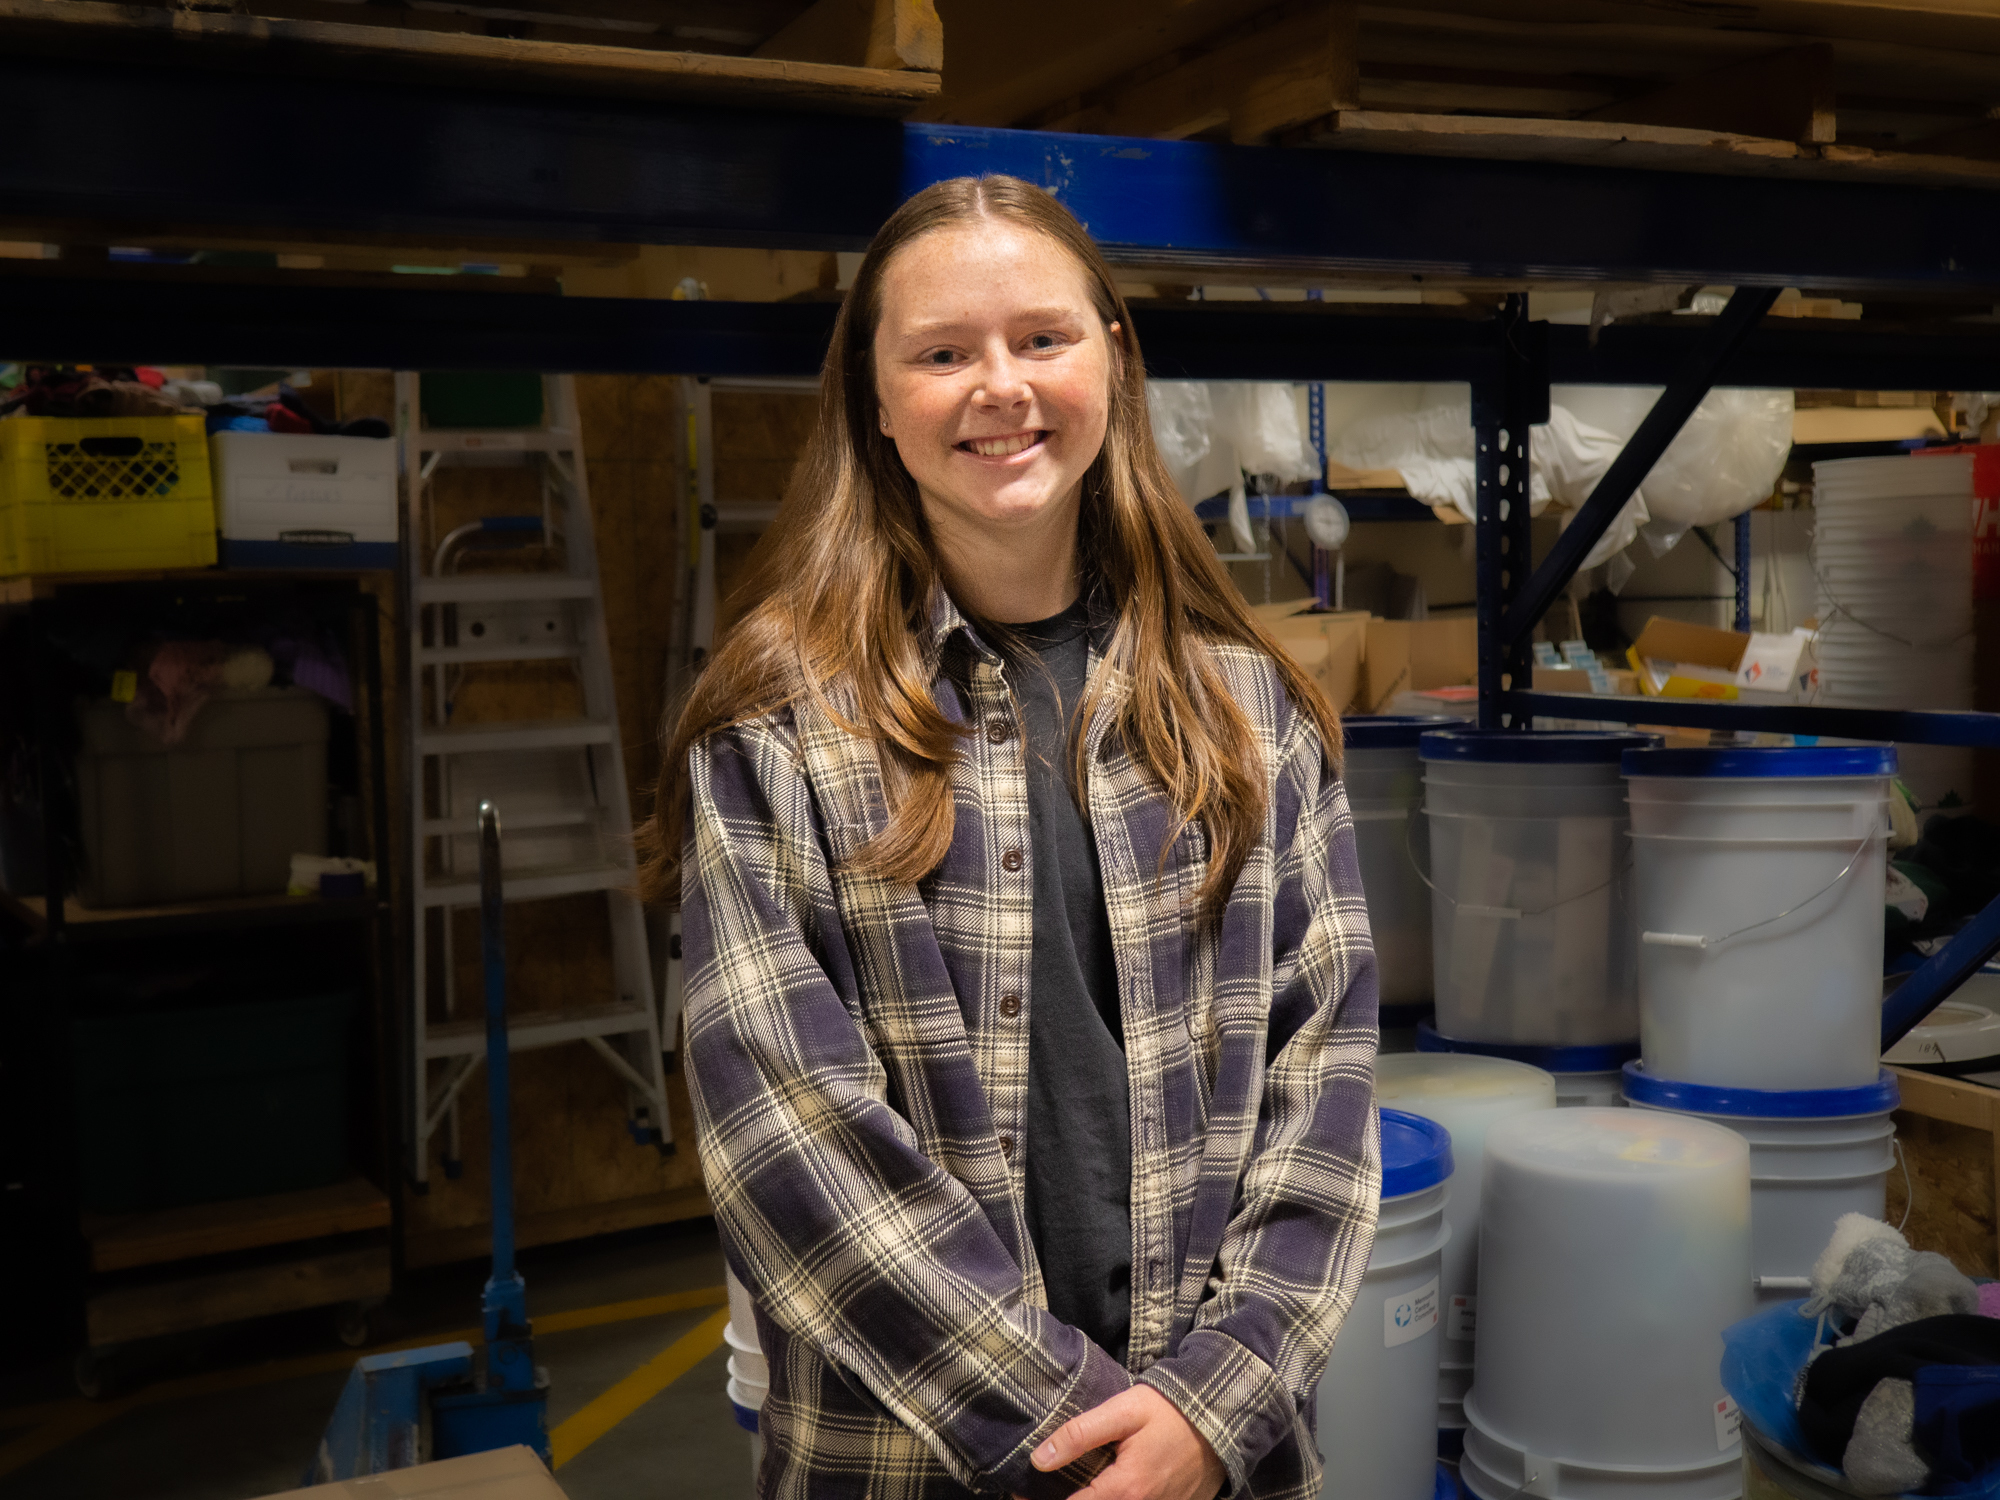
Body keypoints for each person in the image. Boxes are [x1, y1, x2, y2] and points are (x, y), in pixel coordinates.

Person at [640, 174, 1380, 1500]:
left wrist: (1213, 1413)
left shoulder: (1249, 708)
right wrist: (1074, 1432)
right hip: (918, 1461)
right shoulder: (782, 730)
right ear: (874, 401)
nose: (1001, 386)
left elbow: (1325, 1084)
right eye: (941, 353)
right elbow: (788, 1134)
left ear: (1113, 355)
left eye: (1043, 337)